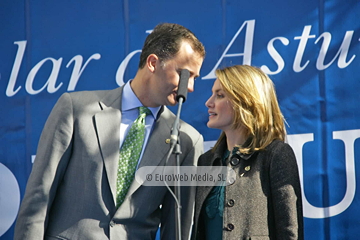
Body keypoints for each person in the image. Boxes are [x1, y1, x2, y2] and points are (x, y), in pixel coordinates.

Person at [14, 23, 205, 240]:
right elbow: (39, 199)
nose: (190, 87)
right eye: (184, 74)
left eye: (195, 78)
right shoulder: (75, 109)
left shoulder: (187, 140)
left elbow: (177, 228)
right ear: (153, 63)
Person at [192, 65, 304, 239]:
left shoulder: (276, 154)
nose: (209, 102)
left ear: (245, 101)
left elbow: (290, 231)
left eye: (220, 95)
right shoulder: (206, 161)